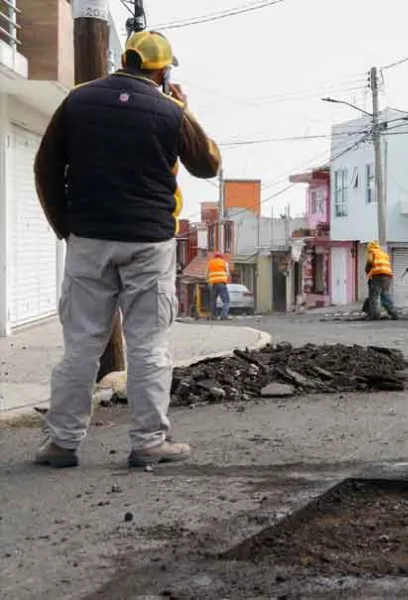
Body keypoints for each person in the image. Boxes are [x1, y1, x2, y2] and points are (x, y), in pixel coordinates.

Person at [33, 30, 221, 468]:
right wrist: (184, 110)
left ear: (124, 58)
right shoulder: (168, 111)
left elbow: (46, 165)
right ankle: (149, 442)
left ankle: (63, 442)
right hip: (149, 243)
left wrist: (66, 227)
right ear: (162, 69)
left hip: (89, 239)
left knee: (80, 345)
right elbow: (207, 164)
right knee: (149, 345)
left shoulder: (77, 101)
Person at [364, 241, 400, 320]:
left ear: (370, 246)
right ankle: (393, 313)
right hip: (387, 276)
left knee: (374, 296)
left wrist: (367, 270)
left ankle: (375, 315)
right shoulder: (383, 254)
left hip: (377, 276)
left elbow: (369, 262)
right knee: (385, 294)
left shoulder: (372, 251)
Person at [207, 252, 231, 320]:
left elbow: (207, 273)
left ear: (214, 257)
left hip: (213, 284)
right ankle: (224, 315)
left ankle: (213, 316)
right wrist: (225, 278)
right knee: (226, 300)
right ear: (221, 257)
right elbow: (228, 274)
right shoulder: (224, 263)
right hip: (221, 283)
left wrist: (209, 281)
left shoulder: (210, 263)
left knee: (213, 300)